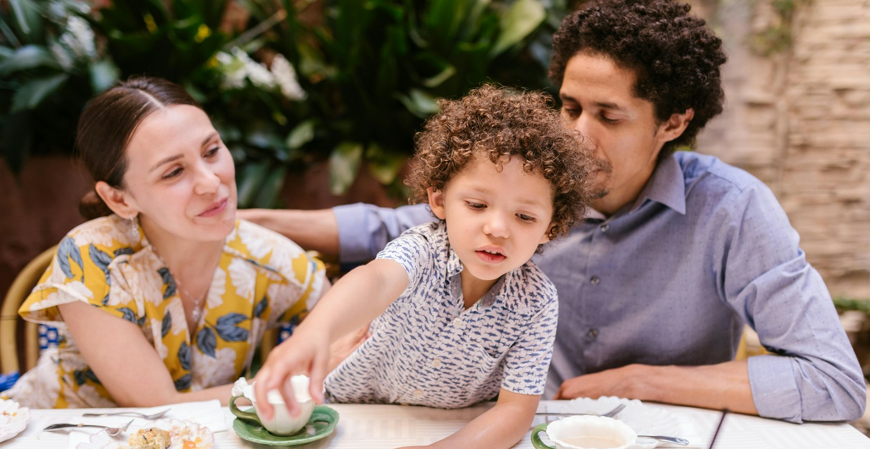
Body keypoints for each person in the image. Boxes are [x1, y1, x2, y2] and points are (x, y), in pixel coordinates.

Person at [241, 0, 866, 423]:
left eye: (608, 116)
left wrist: (641, 381)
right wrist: (244, 220)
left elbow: (835, 382)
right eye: (569, 107)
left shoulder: (732, 210)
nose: (575, 135)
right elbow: (397, 232)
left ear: (673, 123)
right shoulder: (524, 198)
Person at [253, 85, 594, 448]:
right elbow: (375, 280)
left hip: (451, 427)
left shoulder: (538, 302)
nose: (497, 228)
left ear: (551, 227)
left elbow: (514, 413)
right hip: (347, 411)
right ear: (439, 199)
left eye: (524, 216)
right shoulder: (423, 250)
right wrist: (313, 335)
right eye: (477, 205)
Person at [0, 77, 328, 409]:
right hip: (53, 434)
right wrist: (287, 382)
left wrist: (334, 349)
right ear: (119, 198)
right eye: (173, 172)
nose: (210, 182)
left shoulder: (266, 256)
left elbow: (352, 331)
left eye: (212, 151)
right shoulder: (92, 258)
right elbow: (157, 405)